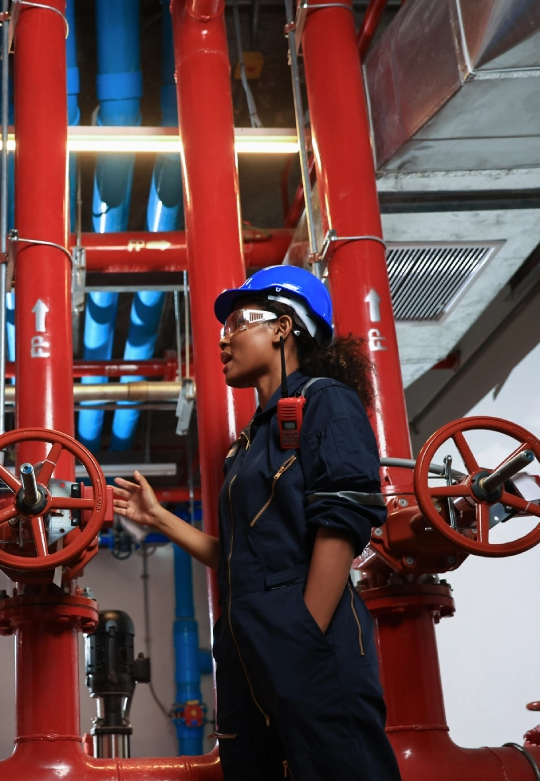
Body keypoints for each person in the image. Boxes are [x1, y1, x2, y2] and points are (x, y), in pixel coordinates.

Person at [111, 266, 401, 781]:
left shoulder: (326, 400)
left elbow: (345, 517)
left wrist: (304, 633)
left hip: (305, 635)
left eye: (239, 321)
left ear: (284, 327)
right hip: (247, 643)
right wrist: (158, 519)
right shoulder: (250, 440)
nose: (224, 337)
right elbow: (240, 553)